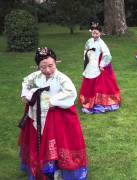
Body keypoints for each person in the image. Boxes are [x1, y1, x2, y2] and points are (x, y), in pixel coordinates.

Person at [19, 47, 88, 179]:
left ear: (56, 63)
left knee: (58, 142)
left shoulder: (61, 78)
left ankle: (58, 170)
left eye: (51, 66)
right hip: (38, 115)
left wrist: (52, 101)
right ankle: (42, 167)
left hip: (57, 116)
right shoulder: (36, 76)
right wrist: (25, 95)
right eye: (43, 67)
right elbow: (26, 82)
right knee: (39, 141)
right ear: (38, 66)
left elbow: (70, 92)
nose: (47, 70)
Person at [79, 22, 121, 114]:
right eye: (93, 33)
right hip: (91, 64)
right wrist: (86, 58)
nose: (95, 34)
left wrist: (102, 65)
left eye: (97, 33)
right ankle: (89, 99)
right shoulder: (89, 41)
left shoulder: (102, 43)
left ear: (100, 33)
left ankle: (99, 103)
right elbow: (86, 50)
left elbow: (107, 55)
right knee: (89, 82)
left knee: (99, 85)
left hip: (98, 67)